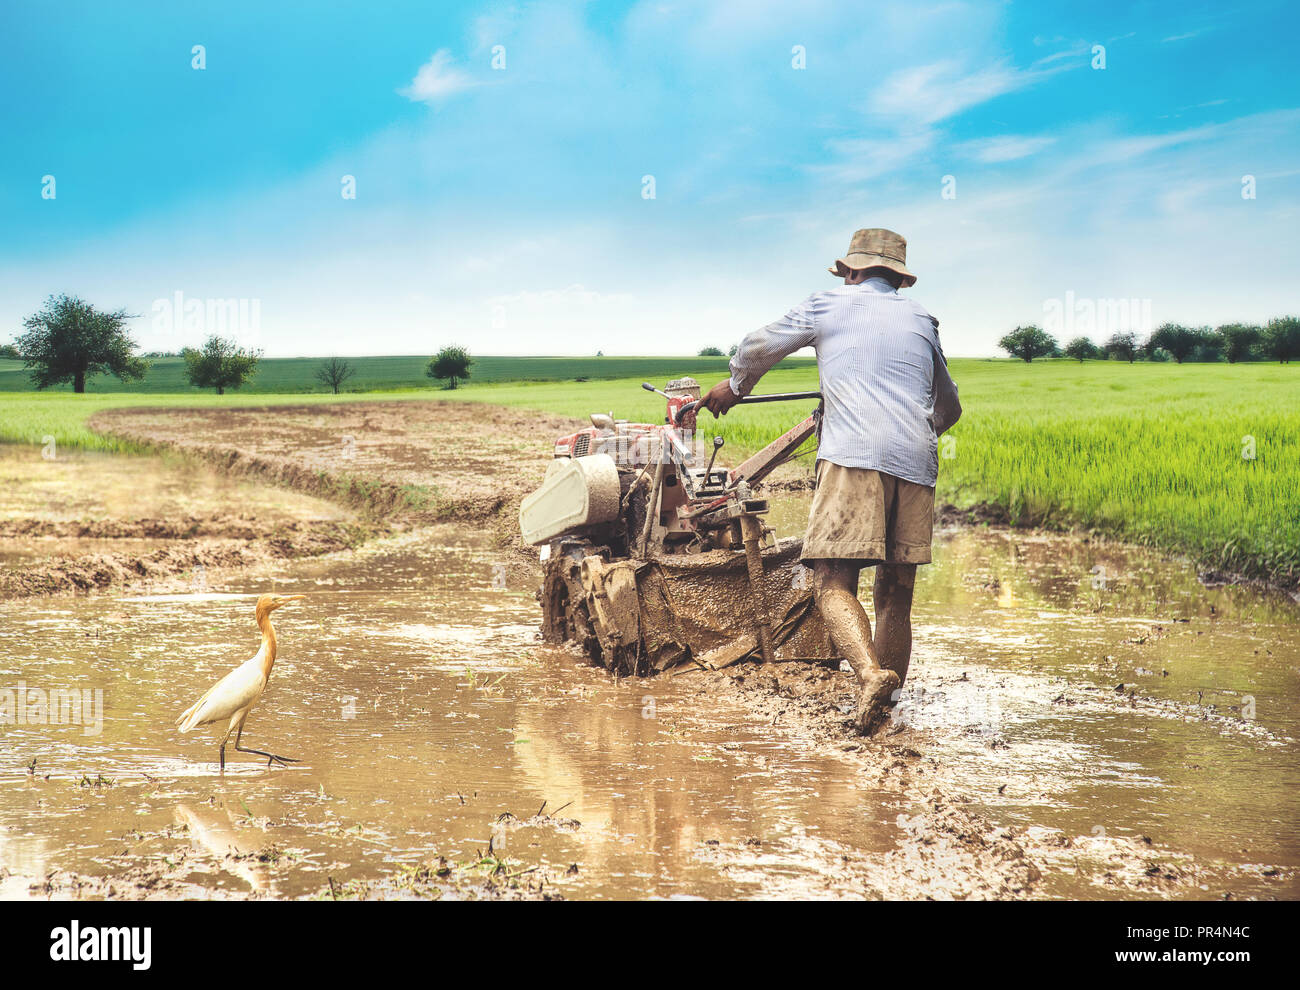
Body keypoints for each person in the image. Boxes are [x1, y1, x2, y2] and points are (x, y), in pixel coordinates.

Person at [700, 228, 962, 734]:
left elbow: (759, 345)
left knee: (832, 579)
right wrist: (905, 426)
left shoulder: (829, 304)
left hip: (853, 457)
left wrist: (734, 386)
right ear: (898, 280)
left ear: (852, 271)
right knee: (895, 594)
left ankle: (868, 677)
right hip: (917, 464)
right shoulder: (922, 320)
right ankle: (887, 712)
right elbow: (948, 408)